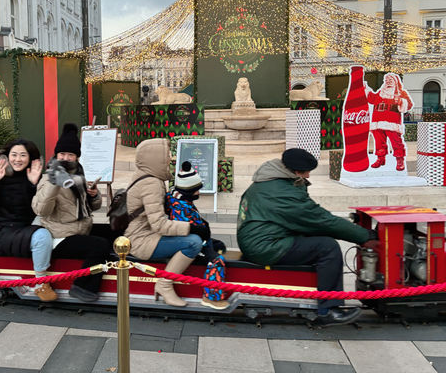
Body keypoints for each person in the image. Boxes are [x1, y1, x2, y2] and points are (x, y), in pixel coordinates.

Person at [237, 148, 379, 327]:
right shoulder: (283, 192)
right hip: (264, 245)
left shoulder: (272, 180)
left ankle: (320, 295)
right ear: (296, 172)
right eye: (307, 172)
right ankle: (328, 310)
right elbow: (319, 219)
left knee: (317, 238)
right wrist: (364, 236)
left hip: (260, 237)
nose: (309, 176)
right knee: (327, 247)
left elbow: (313, 218)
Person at [32, 123, 110, 302]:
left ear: (77, 157)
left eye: (70, 154)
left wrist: (94, 195)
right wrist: (54, 183)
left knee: (112, 232)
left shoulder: (79, 175)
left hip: (79, 229)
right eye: (62, 154)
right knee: (100, 245)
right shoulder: (47, 178)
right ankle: (82, 287)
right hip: (59, 236)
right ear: (56, 155)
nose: (66, 158)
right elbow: (41, 210)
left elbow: (92, 208)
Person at [0, 139, 57, 302]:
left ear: (30, 158)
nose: (18, 159)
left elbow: (38, 209)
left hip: (26, 227)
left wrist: (34, 185)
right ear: (7, 157)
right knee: (42, 236)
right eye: (14, 155)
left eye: (23, 155)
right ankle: (40, 282)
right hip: (3, 231)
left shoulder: (34, 176)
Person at [124, 138, 205, 307]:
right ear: (155, 158)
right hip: (141, 240)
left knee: (191, 235)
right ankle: (164, 284)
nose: (170, 158)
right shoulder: (151, 183)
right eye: (166, 155)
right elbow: (159, 225)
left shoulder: (150, 177)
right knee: (193, 243)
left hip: (145, 233)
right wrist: (192, 227)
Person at [165, 161, 230, 310]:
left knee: (216, 246)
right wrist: (209, 246)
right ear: (189, 190)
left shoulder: (177, 198)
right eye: (196, 190)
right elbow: (189, 230)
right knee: (217, 260)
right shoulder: (180, 206)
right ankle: (211, 297)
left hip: (192, 238)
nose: (199, 193)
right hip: (187, 242)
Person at [366, 72, 413, 171]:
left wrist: (400, 101)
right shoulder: (380, 92)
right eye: (386, 80)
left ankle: (400, 160)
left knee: (396, 143)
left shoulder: (401, 93)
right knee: (379, 143)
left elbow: (409, 105)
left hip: (392, 123)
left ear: (395, 82)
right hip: (378, 122)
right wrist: (366, 89)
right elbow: (372, 99)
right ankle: (380, 159)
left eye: (390, 80)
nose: (388, 82)